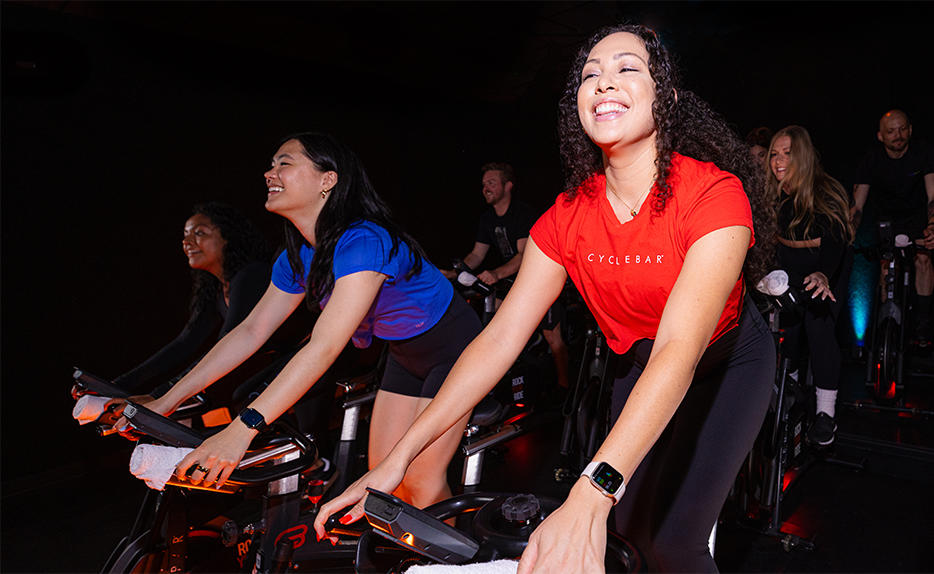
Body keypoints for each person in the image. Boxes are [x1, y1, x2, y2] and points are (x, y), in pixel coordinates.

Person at [316, 24, 778, 574]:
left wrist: (593, 489)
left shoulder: (713, 195)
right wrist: (399, 458)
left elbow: (680, 347)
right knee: (623, 539)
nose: (604, 83)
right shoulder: (566, 218)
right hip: (640, 363)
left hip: (725, 366)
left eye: (627, 68)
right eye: (590, 75)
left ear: (667, 98)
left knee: (673, 545)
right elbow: (498, 342)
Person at [120, 133, 481, 510]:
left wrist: (242, 429)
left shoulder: (365, 241)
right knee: (384, 480)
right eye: (271, 164)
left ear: (328, 180)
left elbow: (324, 346)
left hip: (453, 348)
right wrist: (166, 400)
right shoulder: (298, 256)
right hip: (403, 356)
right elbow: (250, 331)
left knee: (421, 481)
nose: (268, 173)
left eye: (284, 163)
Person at [108, 202, 272, 399]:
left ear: (229, 237)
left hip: (305, 361)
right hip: (283, 365)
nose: (187, 241)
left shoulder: (251, 276)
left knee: (240, 397)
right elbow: (184, 344)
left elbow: (227, 346)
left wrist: (158, 396)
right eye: (185, 234)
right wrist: (118, 385)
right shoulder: (219, 288)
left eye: (199, 233)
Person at [442, 162, 569, 389]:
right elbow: (476, 255)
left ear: (507, 186)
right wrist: (453, 273)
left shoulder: (523, 214)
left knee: (552, 334)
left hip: (539, 278)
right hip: (512, 281)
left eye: (491, 183)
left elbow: (524, 256)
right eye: (483, 184)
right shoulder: (487, 219)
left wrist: (496, 273)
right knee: (496, 322)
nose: (486, 188)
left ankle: (564, 384)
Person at [767, 126, 854, 446]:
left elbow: (835, 242)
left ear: (802, 155)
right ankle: (790, 399)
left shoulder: (825, 191)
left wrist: (823, 274)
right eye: (774, 153)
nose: (778, 160)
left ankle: (825, 415)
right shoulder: (772, 194)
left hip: (827, 268)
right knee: (786, 331)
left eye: (787, 153)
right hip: (790, 266)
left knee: (818, 329)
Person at [851, 109, 934, 344]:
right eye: (891, 131)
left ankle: (923, 320)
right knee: (886, 265)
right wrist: (849, 230)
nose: (898, 135)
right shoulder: (871, 160)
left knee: (923, 259)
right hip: (887, 220)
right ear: (881, 136)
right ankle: (886, 320)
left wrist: (932, 227)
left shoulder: (925, 153)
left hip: (917, 218)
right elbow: (857, 205)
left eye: (902, 129)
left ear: (910, 130)